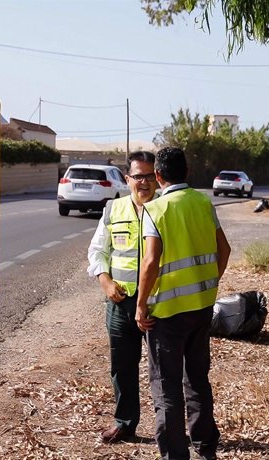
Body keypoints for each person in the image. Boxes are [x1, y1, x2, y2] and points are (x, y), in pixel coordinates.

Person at [136, 147, 231, 460]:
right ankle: (206, 447)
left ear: (159, 176)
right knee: (198, 378)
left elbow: (150, 263)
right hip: (202, 307)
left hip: (166, 314)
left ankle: (176, 455)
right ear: (187, 171)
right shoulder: (204, 202)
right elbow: (224, 250)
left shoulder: (156, 209)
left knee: (166, 386)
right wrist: (208, 284)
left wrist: (141, 305)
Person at [87, 151, 158, 443]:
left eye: (149, 175)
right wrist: (105, 282)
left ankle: (169, 429)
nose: (143, 182)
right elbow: (97, 251)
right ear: (127, 179)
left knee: (163, 370)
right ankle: (125, 423)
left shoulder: (167, 209)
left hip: (158, 304)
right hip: (120, 304)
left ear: (158, 178)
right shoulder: (113, 209)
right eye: (138, 176)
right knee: (122, 367)